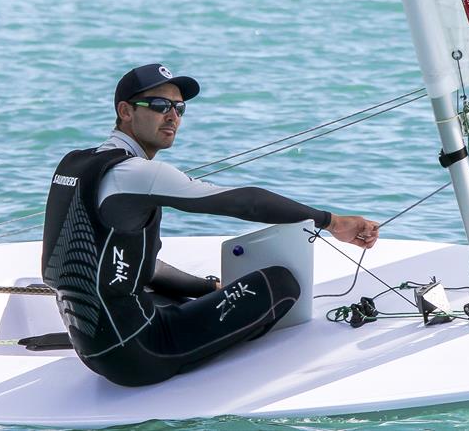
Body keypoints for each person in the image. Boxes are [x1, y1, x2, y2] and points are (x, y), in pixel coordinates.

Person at [41, 63, 379, 386]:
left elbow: (137, 267)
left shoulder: (76, 165)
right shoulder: (136, 173)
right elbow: (243, 202)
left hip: (96, 346)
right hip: (140, 353)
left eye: (179, 107)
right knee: (280, 285)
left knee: (172, 293)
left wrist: (208, 289)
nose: (172, 115)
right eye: (159, 105)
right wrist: (332, 222)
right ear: (126, 111)